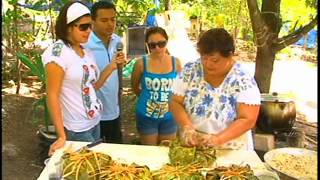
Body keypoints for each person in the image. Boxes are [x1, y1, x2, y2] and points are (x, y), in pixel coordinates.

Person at [42, 1, 125, 156]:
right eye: (83, 27)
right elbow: (52, 95)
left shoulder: (85, 51)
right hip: (75, 128)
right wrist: (61, 135)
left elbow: (92, 87)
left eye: (89, 26)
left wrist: (112, 66)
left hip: (93, 122)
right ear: (67, 26)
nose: (88, 31)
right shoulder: (58, 53)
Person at [169, 28, 261, 150]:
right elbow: (175, 101)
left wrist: (217, 139)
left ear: (229, 55)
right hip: (192, 144)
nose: (207, 64)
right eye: (204, 58)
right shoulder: (191, 70)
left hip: (229, 148)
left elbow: (248, 119)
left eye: (214, 60)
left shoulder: (242, 80)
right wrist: (187, 126)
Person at [131, 27, 182, 145]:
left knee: (166, 153)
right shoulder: (140, 63)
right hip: (146, 116)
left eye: (161, 44)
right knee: (150, 154)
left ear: (167, 41)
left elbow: (180, 90)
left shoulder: (176, 63)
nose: (157, 48)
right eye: (152, 45)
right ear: (147, 46)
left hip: (169, 116)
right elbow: (134, 86)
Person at [84, 1, 125, 143]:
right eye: (104, 20)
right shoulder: (85, 45)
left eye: (113, 19)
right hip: (92, 114)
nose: (110, 24)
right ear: (92, 21)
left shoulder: (117, 41)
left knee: (116, 153)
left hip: (114, 110)